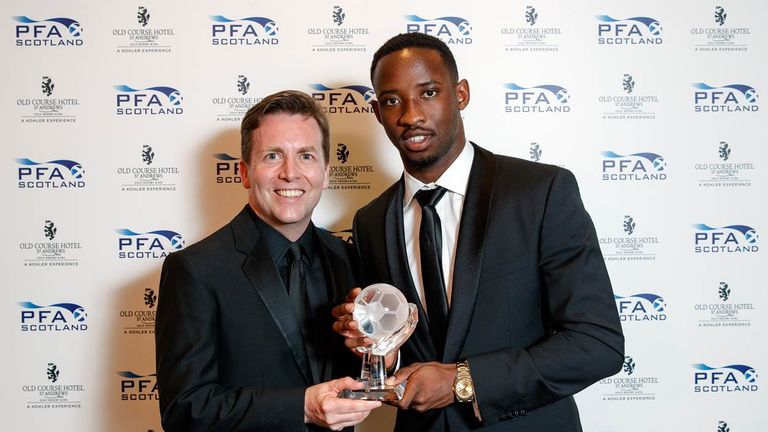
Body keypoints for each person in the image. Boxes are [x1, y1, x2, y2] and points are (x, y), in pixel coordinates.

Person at [333, 33, 625, 431]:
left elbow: (597, 343)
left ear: (461, 94)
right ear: (376, 112)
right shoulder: (370, 220)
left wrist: (462, 381)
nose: (411, 115)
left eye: (429, 92)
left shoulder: (539, 192)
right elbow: (400, 343)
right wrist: (381, 356)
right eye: (392, 100)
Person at [155, 90, 381, 431]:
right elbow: (185, 410)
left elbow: (364, 363)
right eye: (273, 156)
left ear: (326, 172)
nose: (290, 173)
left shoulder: (346, 258)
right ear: (245, 172)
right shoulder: (195, 270)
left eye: (306, 156)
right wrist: (301, 407)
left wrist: (380, 356)